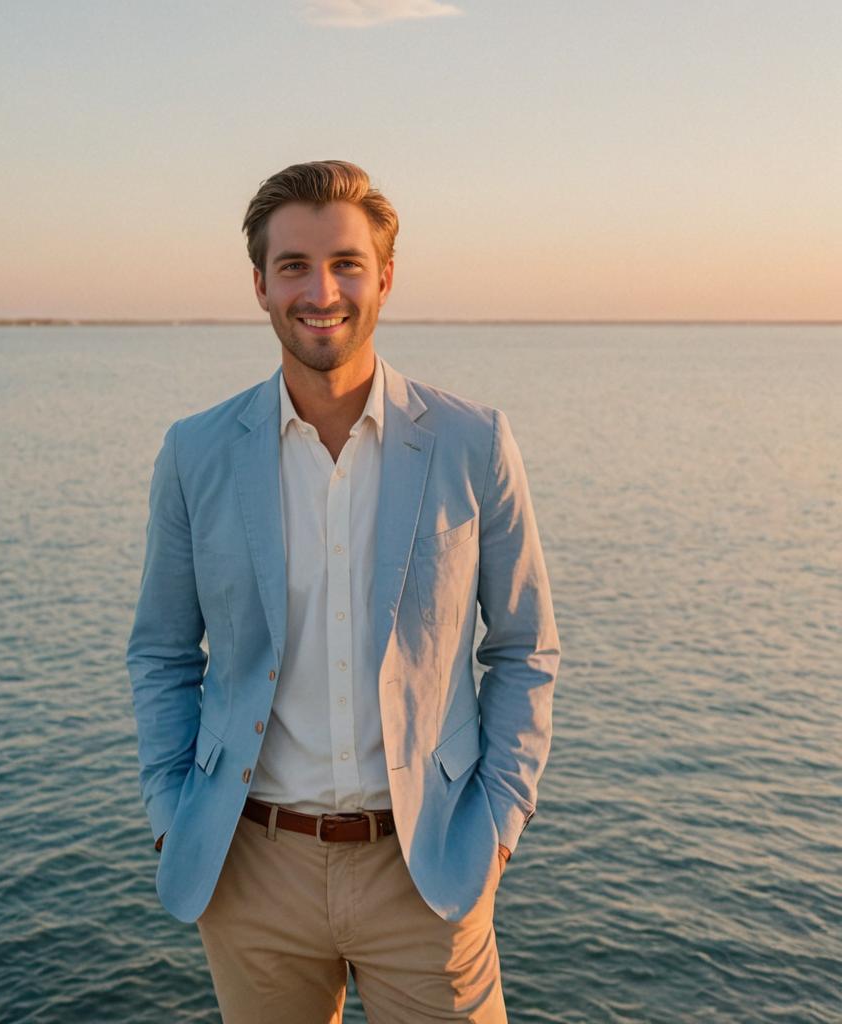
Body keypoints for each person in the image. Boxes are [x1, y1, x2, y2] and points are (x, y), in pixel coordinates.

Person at [126, 160, 559, 1023]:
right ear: (259, 284)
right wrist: (172, 813)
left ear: (385, 277)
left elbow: (522, 646)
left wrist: (499, 827)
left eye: (345, 264)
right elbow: (164, 651)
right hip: (253, 871)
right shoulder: (195, 452)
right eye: (293, 266)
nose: (320, 290)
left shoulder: (474, 443)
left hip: (429, 867)